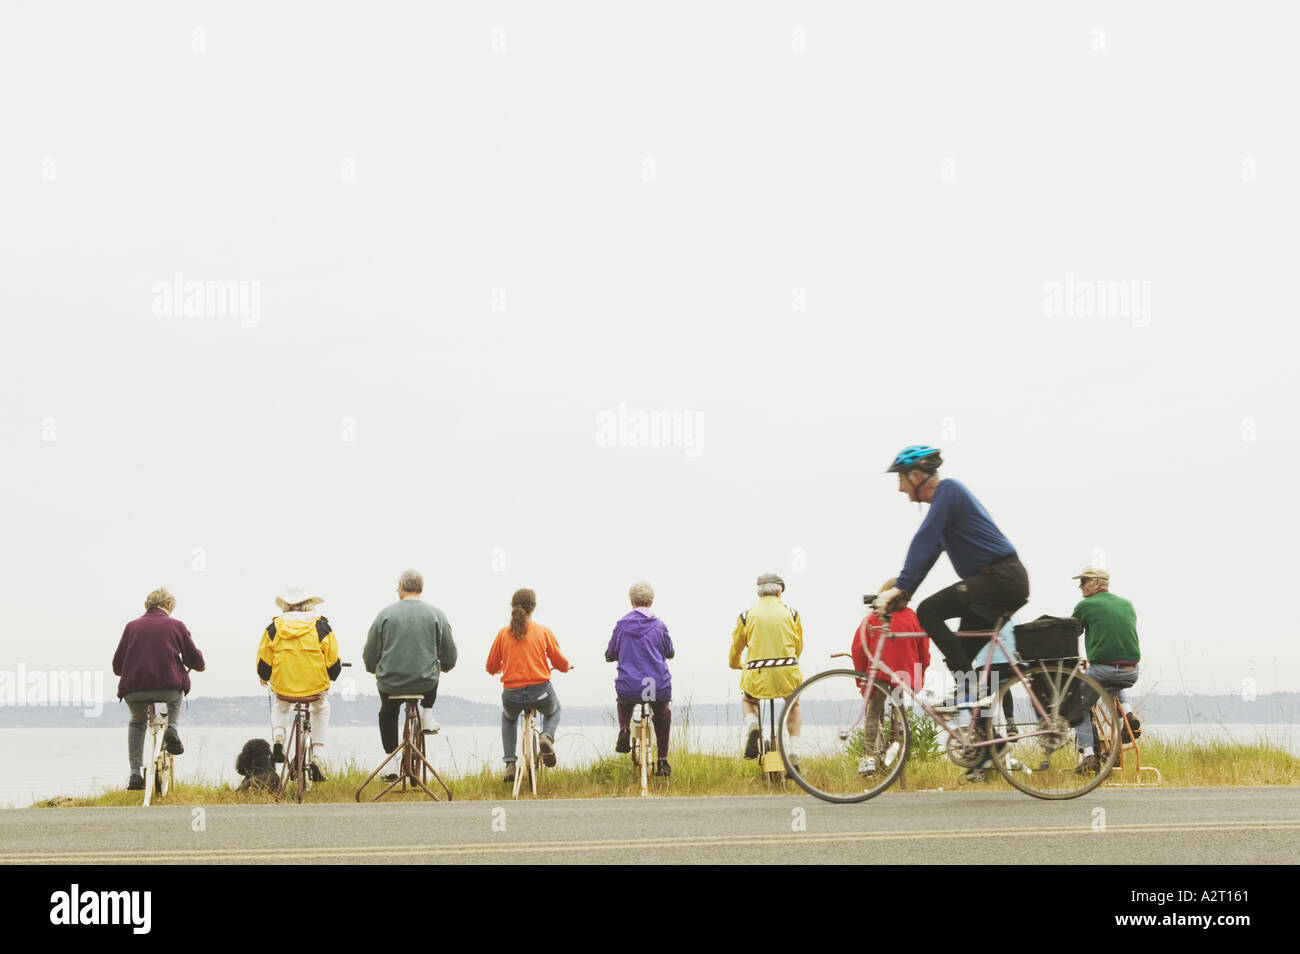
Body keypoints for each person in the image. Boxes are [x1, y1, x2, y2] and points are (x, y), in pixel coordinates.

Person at [875, 445, 1029, 713]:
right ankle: (985, 744)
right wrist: (904, 593)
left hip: (1001, 578)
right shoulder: (944, 509)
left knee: (928, 611)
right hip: (992, 584)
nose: (900, 488)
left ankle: (970, 691)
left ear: (916, 476)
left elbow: (923, 539)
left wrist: (900, 586)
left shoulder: (949, 491)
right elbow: (928, 554)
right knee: (961, 654)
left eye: (901, 478)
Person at [112, 587, 206, 791]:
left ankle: (135, 776)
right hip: (167, 689)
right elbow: (193, 659)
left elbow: (117, 666)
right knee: (174, 697)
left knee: (137, 723)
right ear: (169, 605)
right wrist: (199, 664)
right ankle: (171, 728)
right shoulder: (176, 626)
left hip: (134, 691)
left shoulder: (131, 627)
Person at [363, 569, 458, 767]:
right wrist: (446, 666)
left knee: (388, 713)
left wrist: (373, 667)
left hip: (391, 683)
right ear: (420, 588)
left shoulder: (385, 615)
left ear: (402, 587)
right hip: (425, 682)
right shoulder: (437, 615)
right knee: (435, 670)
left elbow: (371, 653)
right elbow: (449, 655)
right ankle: (427, 715)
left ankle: (390, 763)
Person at [485, 588, 571, 784]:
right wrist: (566, 667)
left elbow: (490, 666)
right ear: (534, 608)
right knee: (554, 711)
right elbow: (559, 662)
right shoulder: (543, 631)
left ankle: (509, 764)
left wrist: (499, 669)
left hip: (512, 696)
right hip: (540, 692)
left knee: (508, 718)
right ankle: (546, 737)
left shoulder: (502, 634)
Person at [256, 587, 342, 781]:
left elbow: (264, 662)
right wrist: (333, 674)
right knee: (321, 708)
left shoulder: (275, 627)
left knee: (280, 704)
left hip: (284, 686)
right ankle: (317, 758)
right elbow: (333, 663)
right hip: (314, 687)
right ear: (310, 605)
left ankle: (279, 737)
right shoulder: (321, 626)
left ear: (286, 606)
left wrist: (264, 675)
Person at [851, 579, 930, 776]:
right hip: (903, 674)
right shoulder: (914, 617)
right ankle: (898, 756)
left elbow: (859, 648)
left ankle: (869, 757)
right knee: (899, 712)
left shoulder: (874, 617)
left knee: (873, 714)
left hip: (878, 673)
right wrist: (919, 676)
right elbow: (924, 650)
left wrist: (861, 679)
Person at [1070, 566, 1142, 774]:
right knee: (1110, 679)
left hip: (1103, 670)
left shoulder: (1085, 606)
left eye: (1084, 581)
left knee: (1078, 707)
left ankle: (1089, 755)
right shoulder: (1127, 604)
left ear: (1097, 583)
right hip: (1130, 670)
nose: (1080, 586)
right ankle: (1127, 714)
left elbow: (1070, 632)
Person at [729, 572, 803, 764]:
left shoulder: (746, 616)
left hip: (757, 673)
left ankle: (753, 726)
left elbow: (736, 648)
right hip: (786, 672)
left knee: (749, 701)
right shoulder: (792, 614)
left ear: (759, 593)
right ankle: (794, 751)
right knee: (793, 705)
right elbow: (798, 647)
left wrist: (735, 664)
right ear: (779, 593)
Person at [605, 581, 676, 777]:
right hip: (657, 685)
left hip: (630, 686)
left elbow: (611, 652)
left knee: (625, 702)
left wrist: (613, 655)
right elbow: (670, 652)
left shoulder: (622, 625)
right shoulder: (660, 626)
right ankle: (662, 761)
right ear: (651, 601)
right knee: (662, 713)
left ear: (632, 601)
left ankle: (625, 730)